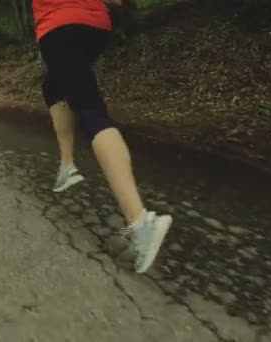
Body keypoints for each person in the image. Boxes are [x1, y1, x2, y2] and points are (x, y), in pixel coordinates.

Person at [32, 0, 173, 273]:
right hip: (95, 27)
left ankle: (140, 221)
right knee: (53, 87)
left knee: (90, 111)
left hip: (59, 27)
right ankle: (66, 166)